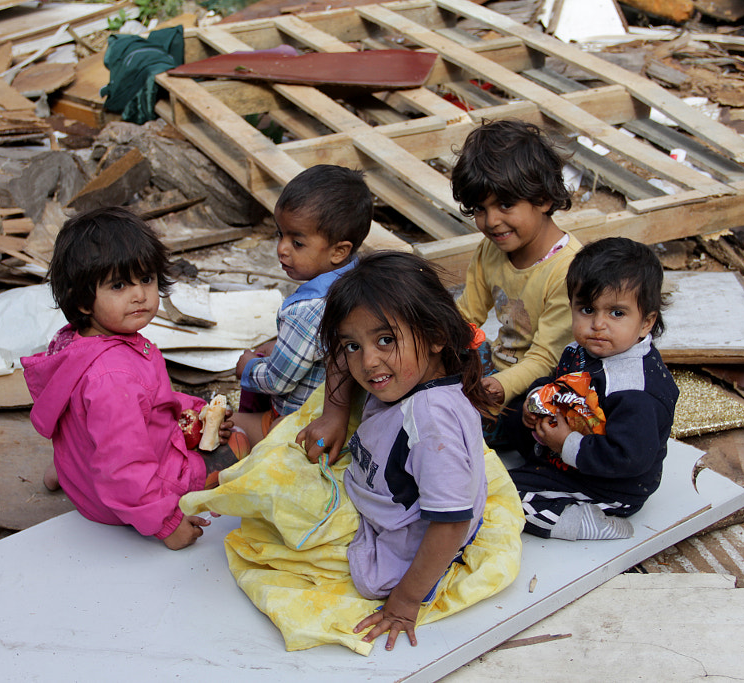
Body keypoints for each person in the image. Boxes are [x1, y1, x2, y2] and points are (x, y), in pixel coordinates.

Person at [303, 251, 500, 650]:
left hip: (405, 542)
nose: (368, 361)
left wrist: (405, 603)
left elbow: (449, 524)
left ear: (435, 337)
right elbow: (339, 357)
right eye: (356, 344)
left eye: (385, 340)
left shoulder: (431, 424)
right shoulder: (404, 375)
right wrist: (335, 413)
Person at [22, 207, 232, 550]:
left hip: (84, 475)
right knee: (238, 449)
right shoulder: (113, 377)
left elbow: (137, 402)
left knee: (106, 438)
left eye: (146, 279)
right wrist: (168, 524)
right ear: (83, 300)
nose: (139, 295)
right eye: (119, 285)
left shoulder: (79, 343)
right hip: (115, 502)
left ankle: (64, 469)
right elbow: (125, 468)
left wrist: (195, 408)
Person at [510, 237, 679, 541]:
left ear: (646, 323)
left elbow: (629, 458)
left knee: (505, 497)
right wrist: (536, 399)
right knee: (508, 418)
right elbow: (556, 381)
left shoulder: (636, 390)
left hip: (610, 484)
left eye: (616, 313)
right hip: (570, 449)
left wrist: (566, 444)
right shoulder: (582, 350)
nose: (598, 324)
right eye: (587, 309)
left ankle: (580, 520)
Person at [451, 118, 583, 448]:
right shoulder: (490, 250)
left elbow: (545, 357)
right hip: (497, 370)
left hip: (540, 382)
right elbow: (466, 315)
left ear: (544, 200)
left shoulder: (568, 271)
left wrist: (500, 386)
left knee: (461, 428)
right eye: (480, 209)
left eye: (505, 205)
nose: (491, 221)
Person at [232, 164, 372, 451]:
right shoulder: (357, 278)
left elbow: (277, 380)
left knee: (229, 428)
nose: (282, 249)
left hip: (300, 420)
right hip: (347, 412)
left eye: (297, 242)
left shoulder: (307, 310)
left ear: (338, 251)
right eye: (279, 234)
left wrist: (247, 368)